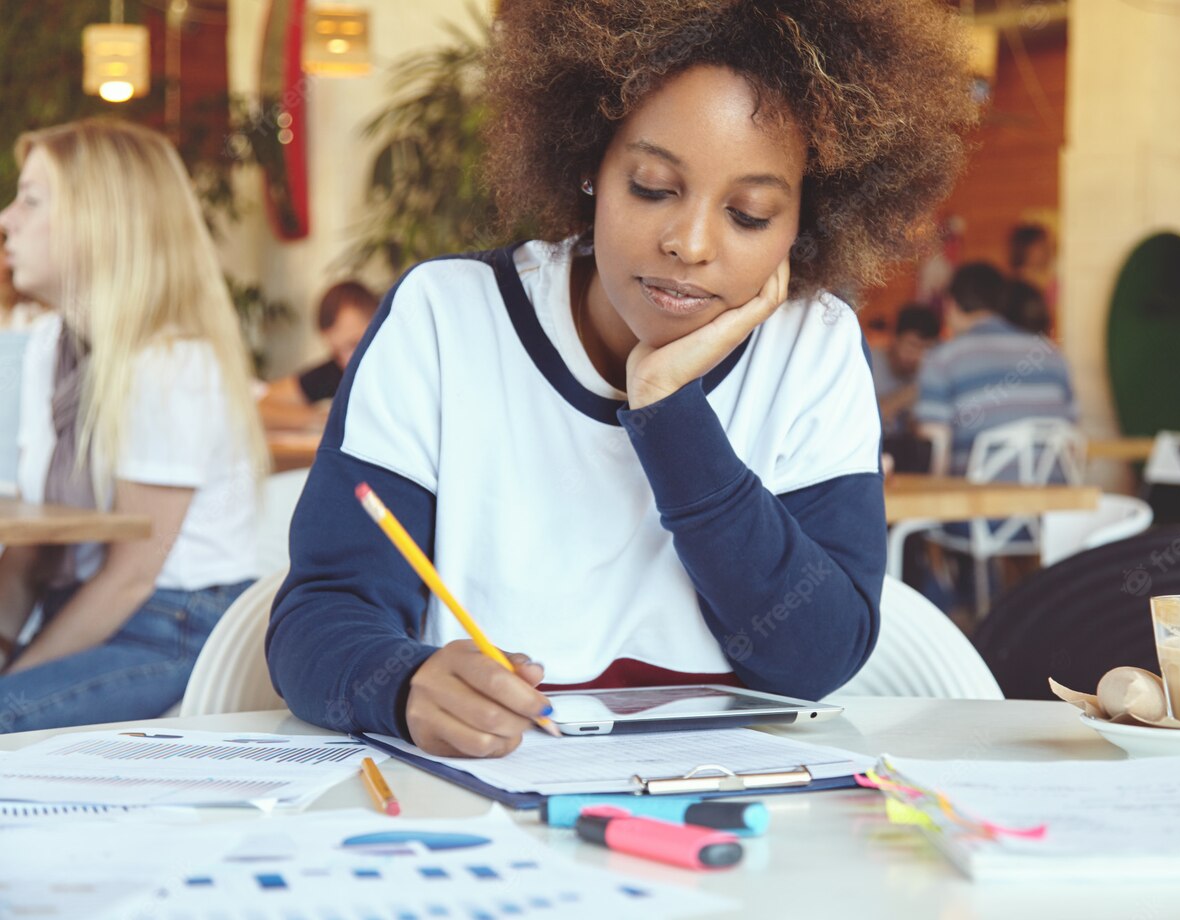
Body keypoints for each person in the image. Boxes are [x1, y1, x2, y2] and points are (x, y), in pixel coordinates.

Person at [267, 0, 976, 758]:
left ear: (809, 219)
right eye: (651, 187)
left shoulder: (813, 348)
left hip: (723, 814)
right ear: (589, 167)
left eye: (748, 213)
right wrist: (402, 684)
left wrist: (670, 411)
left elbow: (814, 658)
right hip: (477, 807)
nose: (690, 242)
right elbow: (318, 617)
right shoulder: (446, 320)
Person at [0, 119, 267, 731]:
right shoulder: (50, 347)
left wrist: (15, 682)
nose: (7, 218)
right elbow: (35, 545)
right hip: (86, 608)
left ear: (103, 223)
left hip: (173, 622)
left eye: (32, 199)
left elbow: (131, 577)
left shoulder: (171, 363)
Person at [917, 262, 1078, 475]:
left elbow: (935, 447)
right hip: (1057, 504)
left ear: (951, 305)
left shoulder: (943, 359)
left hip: (978, 505)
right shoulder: (1051, 354)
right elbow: (1073, 440)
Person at [257, 281, 379, 430]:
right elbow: (261, 408)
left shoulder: (405, 369)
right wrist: (320, 419)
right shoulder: (334, 371)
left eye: (355, 344)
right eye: (336, 352)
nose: (347, 361)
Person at [873, 305, 941, 439]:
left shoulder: (928, 371)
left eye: (926, 349)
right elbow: (863, 418)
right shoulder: (871, 364)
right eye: (912, 345)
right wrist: (908, 394)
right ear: (894, 339)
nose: (918, 355)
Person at [1008, 222, 1057, 331]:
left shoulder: (1054, 284)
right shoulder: (1011, 285)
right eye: (1041, 246)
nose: (1048, 251)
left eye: (1049, 246)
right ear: (1025, 248)